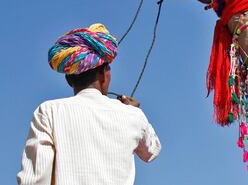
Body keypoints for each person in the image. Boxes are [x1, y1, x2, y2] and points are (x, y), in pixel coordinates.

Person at [17, 24, 161, 185]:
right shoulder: (132, 114)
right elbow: (152, 151)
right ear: (103, 73)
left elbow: (35, 179)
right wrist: (135, 112)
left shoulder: (49, 111)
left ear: (69, 79)